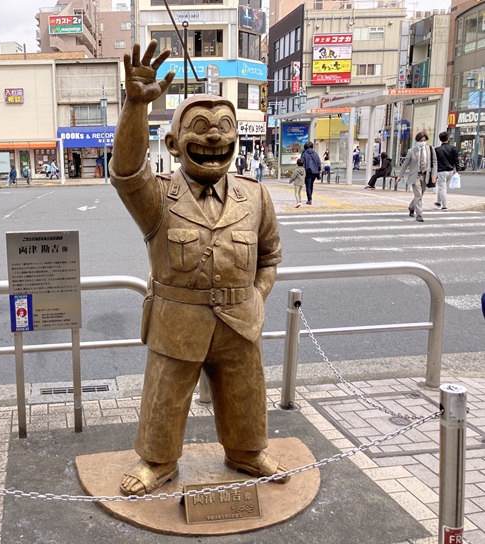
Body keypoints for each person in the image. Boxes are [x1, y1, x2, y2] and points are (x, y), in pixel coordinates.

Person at [109, 41, 287, 497]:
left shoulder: (255, 196)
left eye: (224, 128)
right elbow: (126, 172)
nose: (214, 138)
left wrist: (256, 296)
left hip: (239, 320)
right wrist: (135, 106)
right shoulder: (157, 197)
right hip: (178, 320)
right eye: (200, 128)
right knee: (165, 396)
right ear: (173, 144)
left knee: (245, 390)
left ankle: (246, 452)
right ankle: (158, 461)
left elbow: (269, 257)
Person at [395, 131, 437, 223]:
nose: (423, 142)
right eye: (421, 140)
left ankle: (411, 207)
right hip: (415, 175)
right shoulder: (412, 151)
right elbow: (405, 164)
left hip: (426, 175)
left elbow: (434, 162)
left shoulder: (430, 149)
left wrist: (434, 175)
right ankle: (419, 214)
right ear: (417, 141)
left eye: (424, 140)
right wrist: (399, 176)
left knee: (420, 195)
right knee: (418, 195)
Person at [434, 131, 459, 211]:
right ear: (448, 138)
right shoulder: (453, 148)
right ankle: (438, 201)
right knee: (442, 187)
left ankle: (444, 205)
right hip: (450, 171)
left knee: (442, 188)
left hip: (441, 171)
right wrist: (457, 169)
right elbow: (456, 160)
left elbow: (435, 161)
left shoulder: (437, 150)